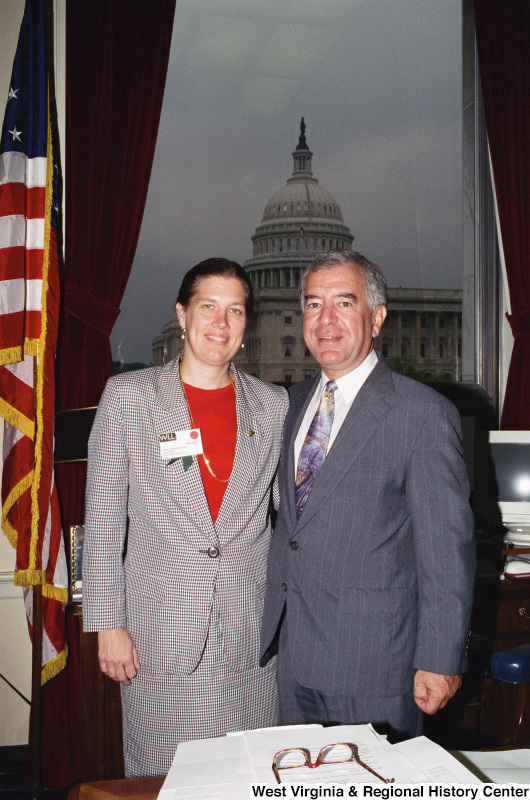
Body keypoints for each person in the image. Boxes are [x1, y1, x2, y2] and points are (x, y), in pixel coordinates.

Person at [83, 258, 289, 777]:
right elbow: (104, 520)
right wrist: (108, 624)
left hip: (249, 639)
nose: (221, 324)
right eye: (208, 307)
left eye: (235, 311)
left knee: (249, 778)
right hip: (160, 638)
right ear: (182, 314)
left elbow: (291, 514)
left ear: (247, 323)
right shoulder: (128, 398)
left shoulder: (273, 405)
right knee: (168, 778)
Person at [260, 250, 476, 740]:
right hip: (293, 658)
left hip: (376, 662)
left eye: (343, 302)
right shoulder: (288, 406)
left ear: (376, 318)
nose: (325, 320)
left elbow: (446, 552)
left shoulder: (422, 414)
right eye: (313, 304)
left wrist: (440, 659)